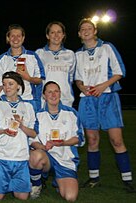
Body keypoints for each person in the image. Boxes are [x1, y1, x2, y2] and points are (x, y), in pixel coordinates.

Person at [75, 18, 135, 193]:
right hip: (87, 99)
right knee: (92, 140)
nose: (86, 31)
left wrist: (103, 86)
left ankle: (127, 179)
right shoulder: (78, 54)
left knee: (116, 140)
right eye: (82, 29)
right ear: (79, 34)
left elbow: (120, 72)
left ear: (95, 31)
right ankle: (94, 178)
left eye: (89, 28)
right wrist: (81, 87)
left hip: (108, 97)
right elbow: (77, 78)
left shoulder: (107, 47)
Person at [0, 71, 37, 200]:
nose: (6, 87)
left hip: (21, 156)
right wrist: (3, 131)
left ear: (18, 86)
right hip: (1, 155)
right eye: (4, 84)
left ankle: (9, 183)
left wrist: (21, 126)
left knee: (23, 197)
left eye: (10, 84)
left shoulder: (28, 106)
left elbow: (34, 133)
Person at [28, 81, 84, 201]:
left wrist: (62, 143)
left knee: (70, 197)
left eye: (56, 91)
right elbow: (32, 140)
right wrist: (43, 147)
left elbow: (79, 138)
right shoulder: (38, 115)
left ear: (60, 93)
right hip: (47, 157)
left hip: (65, 161)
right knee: (36, 156)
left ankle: (59, 181)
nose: (53, 95)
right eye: (49, 92)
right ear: (44, 96)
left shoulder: (71, 113)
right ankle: (37, 184)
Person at [0, 24, 45, 111]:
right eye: (12, 36)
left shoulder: (32, 56)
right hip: (8, 102)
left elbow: (40, 80)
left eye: (18, 36)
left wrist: (28, 78)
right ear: (8, 38)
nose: (15, 39)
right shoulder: (2, 58)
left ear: (23, 38)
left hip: (28, 101)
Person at [35, 21, 76, 107]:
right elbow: (35, 78)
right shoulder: (40, 53)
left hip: (65, 100)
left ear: (63, 35)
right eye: (52, 32)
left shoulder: (70, 54)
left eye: (59, 32)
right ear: (47, 36)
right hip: (45, 101)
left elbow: (71, 77)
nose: (56, 35)